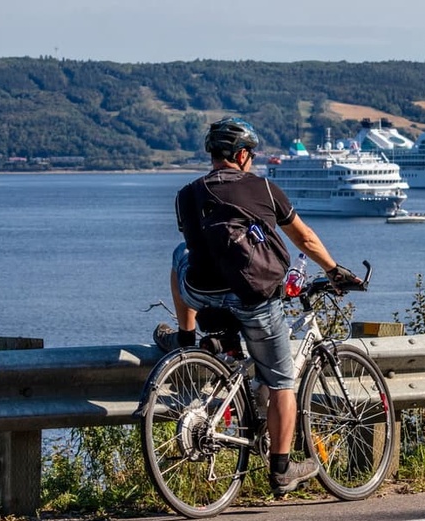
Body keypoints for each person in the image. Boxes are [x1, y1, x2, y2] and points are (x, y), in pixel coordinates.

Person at [153, 116, 360, 496]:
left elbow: (202, 246)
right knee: (282, 382)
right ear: (243, 154)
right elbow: (306, 240)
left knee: (179, 254)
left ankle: (186, 338)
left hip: (202, 293)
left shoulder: (186, 194)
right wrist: (334, 271)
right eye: (252, 152)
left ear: (214, 155)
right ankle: (282, 470)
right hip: (254, 300)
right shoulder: (265, 188)